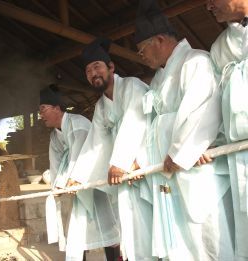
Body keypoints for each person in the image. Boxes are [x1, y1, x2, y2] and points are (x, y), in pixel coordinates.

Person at [134, 0, 234, 260]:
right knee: (180, 245)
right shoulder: (158, 79)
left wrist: (181, 152)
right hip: (170, 174)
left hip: (194, 170)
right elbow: (151, 124)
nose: (140, 56)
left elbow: (202, 110)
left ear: (158, 39)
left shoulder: (195, 61)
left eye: (142, 48)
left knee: (206, 240)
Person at [67, 37, 154, 261]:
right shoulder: (101, 107)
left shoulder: (132, 86)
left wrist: (122, 162)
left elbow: (137, 122)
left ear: (111, 67)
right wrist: (78, 177)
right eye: (88, 70)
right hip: (127, 174)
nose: (93, 73)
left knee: (156, 229)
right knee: (133, 232)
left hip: (148, 165)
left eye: (97, 66)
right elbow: (96, 142)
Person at [207, 1, 248, 260]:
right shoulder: (219, 47)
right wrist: (208, 144)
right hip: (238, 151)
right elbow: (215, 102)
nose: (209, 7)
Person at [39, 85, 94, 260]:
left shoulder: (77, 124)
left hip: (90, 177)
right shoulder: (55, 135)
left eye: (43, 109)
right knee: (78, 227)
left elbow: (81, 154)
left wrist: (75, 178)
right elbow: (54, 162)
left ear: (57, 108)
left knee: (106, 224)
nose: (41, 115)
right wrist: (56, 186)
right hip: (73, 182)